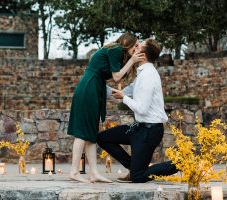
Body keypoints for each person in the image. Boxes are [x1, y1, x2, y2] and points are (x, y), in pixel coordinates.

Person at [97, 38, 178, 183]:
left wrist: (123, 97)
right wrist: (96, 81)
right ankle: (132, 166)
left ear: (143, 55)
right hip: (138, 128)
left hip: (150, 131)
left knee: (138, 177)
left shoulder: (148, 76)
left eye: (140, 45)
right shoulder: (142, 73)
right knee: (103, 138)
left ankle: (179, 163)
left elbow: (142, 108)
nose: (136, 46)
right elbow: (121, 94)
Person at [68, 33, 145, 183]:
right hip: (89, 87)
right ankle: (74, 171)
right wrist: (133, 61)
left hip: (94, 87)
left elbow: (119, 76)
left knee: (91, 134)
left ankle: (94, 173)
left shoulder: (117, 52)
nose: (137, 49)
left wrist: (131, 61)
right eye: (136, 45)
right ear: (127, 42)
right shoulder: (116, 49)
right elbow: (116, 77)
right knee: (83, 132)